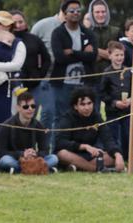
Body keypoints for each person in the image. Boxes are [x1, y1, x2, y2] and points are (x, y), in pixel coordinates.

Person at [50, 0, 98, 128]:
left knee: (85, 118)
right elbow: (60, 58)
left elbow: (93, 56)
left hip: (84, 83)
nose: (76, 13)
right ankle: (57, 148)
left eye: (78, 10)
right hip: (63, 84)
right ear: (64, 14)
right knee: (61, 118)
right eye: (72, 11)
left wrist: (73, 52)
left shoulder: (88, 33)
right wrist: (83, 54)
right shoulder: (58, 33)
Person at [55, 86, 124, 172]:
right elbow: (60, 142)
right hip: (72, 153)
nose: (87, 108)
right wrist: (84, 146)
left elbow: (108, 139)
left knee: (111, 157)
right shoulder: (67, 118)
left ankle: (78, 167)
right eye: (82, 104)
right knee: (62, 154)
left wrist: (118, 155)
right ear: (75, 106)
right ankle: (96, 169)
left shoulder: (96, 117)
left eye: (89, 103)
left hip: (90, 155)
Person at [0, 92, 58, 173]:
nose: (30, 109)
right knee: (5, 161)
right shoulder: (6, 125)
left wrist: (34, 154)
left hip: (33, 158)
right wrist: (22, 154)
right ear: (18, 108)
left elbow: (45, 150)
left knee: (54, 158)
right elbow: (1, 153)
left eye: (33, 106)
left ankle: (20, 169)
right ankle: (39, 168)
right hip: (15, 159)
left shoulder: (38, 125)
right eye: (26, 107)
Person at [30, 7, 64, 143]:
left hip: (62, 80)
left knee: (51, 115)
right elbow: (30, 48)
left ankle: (46, 147)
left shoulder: (75, 28)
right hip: (40, 79)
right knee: (29, 112)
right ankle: (28, 147)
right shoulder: (42, 25)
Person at [99, 41, 133, 160]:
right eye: (116, 55)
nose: (119, 58)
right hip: (112, 112)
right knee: (113, 135)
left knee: (127, 135)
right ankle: (114, 157)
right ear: (109, 56)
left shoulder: (129, 72)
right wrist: (114, 103)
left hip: (127, 111)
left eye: (121, 55)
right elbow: (102, 93)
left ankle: (128, 158)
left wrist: (130, 99)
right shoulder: (107, 73)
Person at [10, 11, 51, 110]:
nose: (18, 25)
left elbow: (47, 59)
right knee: (14, 116)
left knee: (31, 113)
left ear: (25, 23)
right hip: (13, 86)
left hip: (34, 85)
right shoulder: (6, 39)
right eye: (15, 22)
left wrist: (40, 75)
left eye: (21, 22)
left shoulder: (34, 39)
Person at [0, 10, 26, 133]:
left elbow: (17, 65)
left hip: (6, 89)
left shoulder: (17, 43)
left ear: (8, 25)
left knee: (4, 125)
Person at [85, 0, 119, 89]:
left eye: (103, 12)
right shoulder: (85, 33)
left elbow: (117, 55)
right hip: (91, 78)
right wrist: (106, 53)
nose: (100, 15)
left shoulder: (116, 31)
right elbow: (86, 56)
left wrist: (95, 50)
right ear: (92, 13)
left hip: (113, 79)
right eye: (97, 12)